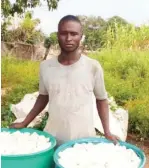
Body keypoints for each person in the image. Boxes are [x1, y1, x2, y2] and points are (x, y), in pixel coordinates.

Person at [10, 15, 119, 145]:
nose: (68, 38)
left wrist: (107, 132)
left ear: (81, 36)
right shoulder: (46, 67)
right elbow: (43, 97)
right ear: (58, 35)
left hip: (84, 140)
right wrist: (24, 122)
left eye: (73, 34)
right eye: (64, 33)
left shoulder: (93, 67)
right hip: (52, 138)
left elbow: (101, 100)